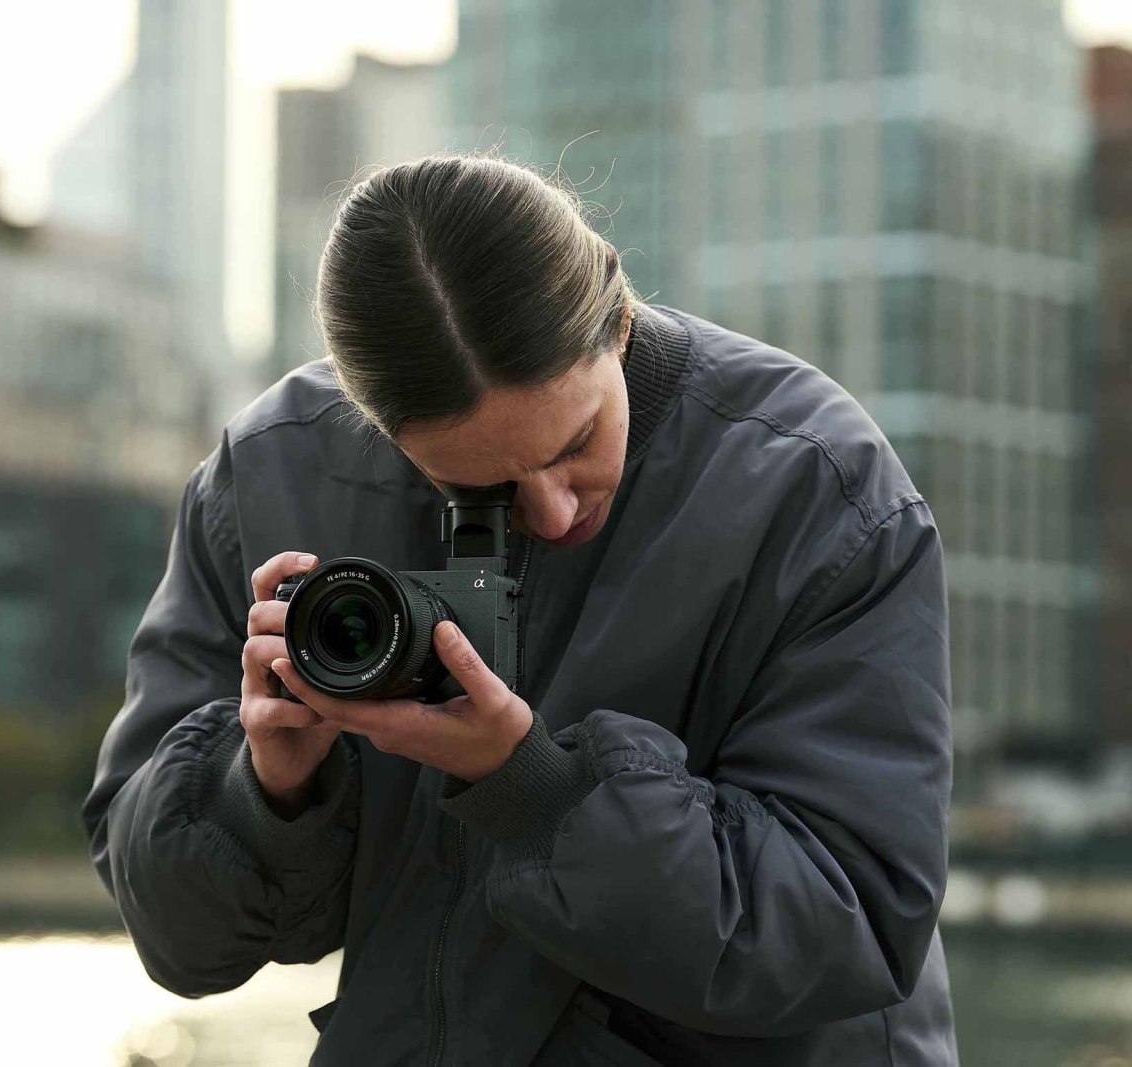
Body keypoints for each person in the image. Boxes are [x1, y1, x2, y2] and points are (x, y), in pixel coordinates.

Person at [82, 152, 957, 1065]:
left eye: (577, 442)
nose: (553, 510)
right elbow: (178, 943)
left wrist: (534, 789)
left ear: (617, 322)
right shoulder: (272, 477)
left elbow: (852, 925)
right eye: (477, 484)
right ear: (373, 425)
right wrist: (265, 786)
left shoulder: (818, 487)